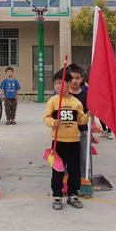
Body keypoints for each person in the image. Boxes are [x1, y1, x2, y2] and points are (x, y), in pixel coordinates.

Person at [43, 69, 88, 210]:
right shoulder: (53, 101)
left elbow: (81, 121)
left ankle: (73, 194)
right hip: (58, 142)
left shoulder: (76, 103)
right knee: (58, 170)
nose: (58, 86)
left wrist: (89, 116)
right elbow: (46, 118)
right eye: (56, 83)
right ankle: (57, 195)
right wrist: (52, 122)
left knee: (74, 170)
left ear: (69, 84)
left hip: (74, 141)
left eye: (61, 83)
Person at [67, 64, 90, 180]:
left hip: (82, 131)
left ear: (82, 79)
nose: (74, 80)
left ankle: (83, 178)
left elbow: (88, 113)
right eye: (72, 78)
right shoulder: (64, 95)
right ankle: (66, 179)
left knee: (83, 156)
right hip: (66, 132)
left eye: (77, 78)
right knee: (66, 156)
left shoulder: (86, 95)